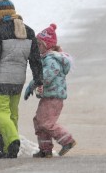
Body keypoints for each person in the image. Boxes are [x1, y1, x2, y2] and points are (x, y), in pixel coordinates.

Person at [0, 0, 43, 158]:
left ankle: (13, 140)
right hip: (17, 81)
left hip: (1, 80)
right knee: (13, 113)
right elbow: (35, 59)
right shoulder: (28, 31)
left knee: (0, 113)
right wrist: (38, 79)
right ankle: (7, 149)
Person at [26, 23, 76, 158]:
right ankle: (45, 149)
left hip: (54, 97)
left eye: (40, 44)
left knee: (46, 123)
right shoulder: (47, 58)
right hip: (48, 96)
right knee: (39, 121)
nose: (37, 47)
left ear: (48, 45)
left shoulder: (52, 60)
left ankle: (67, 140)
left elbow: (46, 76)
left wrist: (32, 84)